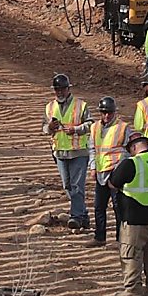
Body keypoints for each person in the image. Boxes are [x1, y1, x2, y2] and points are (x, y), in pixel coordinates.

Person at [106, 129, 148, 296]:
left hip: (135, 217)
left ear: (133, 148)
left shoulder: (132, 163)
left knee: (131, 253)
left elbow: (113, 183)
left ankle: (133, 288)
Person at [45, 72, 91, 230]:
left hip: (78, 152)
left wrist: (76, 129)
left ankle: (76, 217)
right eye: (57, 90)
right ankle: (83, 214)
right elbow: (44, 128)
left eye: (62, 89)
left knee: (77, 186)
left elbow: (90, 124)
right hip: (59, 152)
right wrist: (49, 128)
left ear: (68, 89)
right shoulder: (50, 107)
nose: (60, 92)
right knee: (67, 186)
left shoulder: (81, 105)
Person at [88, 97, 129, 246]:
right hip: (100, 173)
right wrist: (93, 167)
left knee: (119, 208)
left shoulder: (123, 127)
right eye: (104, 113)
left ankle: (120, 239)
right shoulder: (95, 128)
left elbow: (127, 151)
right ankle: (100, 237)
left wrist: (119, 173)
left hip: (115, 173)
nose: (107, 116)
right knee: (99, 207)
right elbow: (92, 148)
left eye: (109, 113)